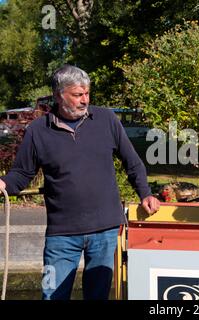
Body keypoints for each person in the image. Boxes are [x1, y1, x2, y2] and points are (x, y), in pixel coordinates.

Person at [0, 65, 160, 300]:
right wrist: (3, 184)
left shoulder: (107, 119)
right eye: (77, 95)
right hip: (61, 235)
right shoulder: (37, 130)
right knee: (52, 294)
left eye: (87, 94)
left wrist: (145, 193)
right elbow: (22, 173)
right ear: (58, 95)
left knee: (97, 296)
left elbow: (132, 162)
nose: (84, 100)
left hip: (105, 230)